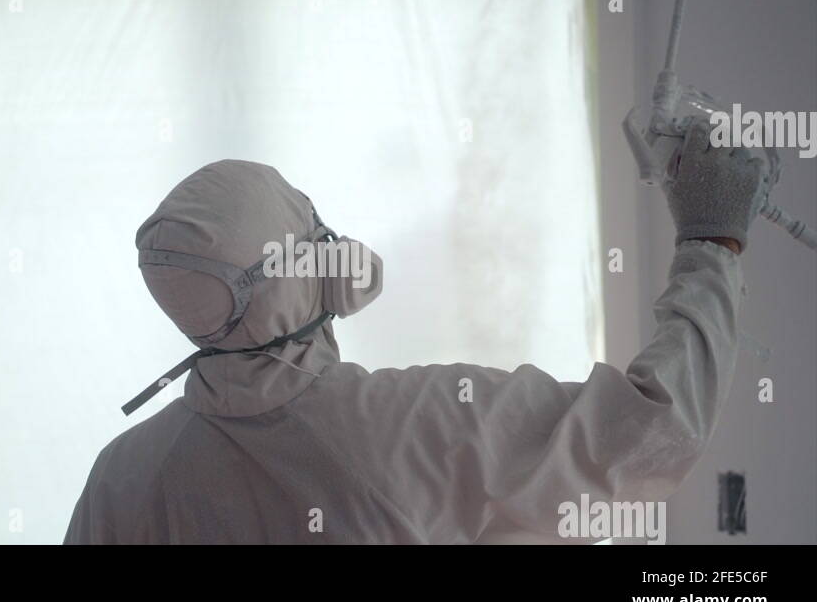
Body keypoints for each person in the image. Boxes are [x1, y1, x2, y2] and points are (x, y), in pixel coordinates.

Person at [64, 119, 761, 544]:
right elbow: (652, 432)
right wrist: (711, 241)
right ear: (285, 270)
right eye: (307, 230)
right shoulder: (409, 427)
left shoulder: (122, 477)